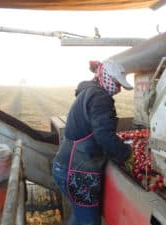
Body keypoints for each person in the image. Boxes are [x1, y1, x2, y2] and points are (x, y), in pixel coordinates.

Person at [52, 59, 134, 225]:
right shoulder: (100, 97)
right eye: (116, 83)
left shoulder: (89, 92)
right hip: (78, 173)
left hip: (64, 166)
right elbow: (104, 135)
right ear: (105, 76)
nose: (118, 89)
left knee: (80, 214)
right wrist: (127, 154)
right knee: (89, 221)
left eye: (120, 86)